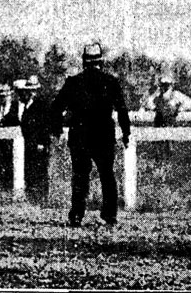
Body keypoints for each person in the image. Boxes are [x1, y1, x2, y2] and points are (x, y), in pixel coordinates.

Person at [51, 43, 133, 227]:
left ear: (84, 61)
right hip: (103, 135)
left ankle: (77, 215)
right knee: (107, 175)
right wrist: (126, 133)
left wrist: (57, 130)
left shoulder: (73, 82)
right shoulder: (110, 82)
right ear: (101, 61)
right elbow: (122, 109)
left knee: (80, 176)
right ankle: (109, 215)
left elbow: (55, 108)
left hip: (79, 135)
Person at [14, 77, 56, 203]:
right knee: (30, 171)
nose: (29, 93)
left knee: (40, 172)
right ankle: (32, 198)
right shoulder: (26, 107)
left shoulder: (41, 106)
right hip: (29, 144)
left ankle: (42, 198)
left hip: (39, 145)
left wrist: (42, 143)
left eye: (32, 90)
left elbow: (45, 126)